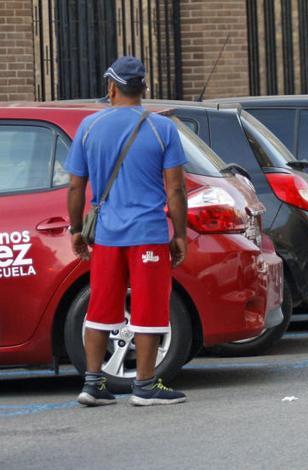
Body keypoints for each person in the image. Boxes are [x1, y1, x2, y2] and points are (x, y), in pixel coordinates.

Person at [65, 55, 189, 407]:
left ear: (111, 87)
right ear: (142, 88)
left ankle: (93, 383)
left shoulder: (88, 127)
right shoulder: (162, 128)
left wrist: (77, 229)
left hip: (105, 234)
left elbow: (76, 187)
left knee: (100, 305)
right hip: (148, 233)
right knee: (149, 307)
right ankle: (146, 384)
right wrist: (179, 234)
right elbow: (176, 189)